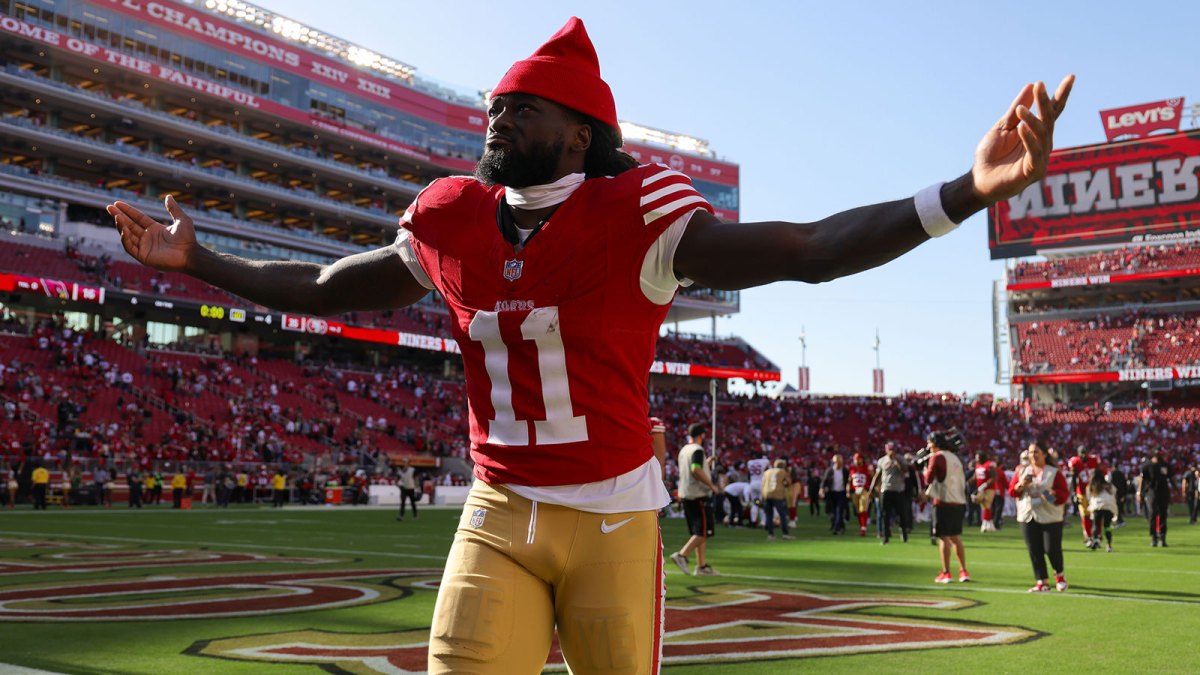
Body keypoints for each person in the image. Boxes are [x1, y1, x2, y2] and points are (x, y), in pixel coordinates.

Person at [106, 15, 1072, 672]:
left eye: (521, 109)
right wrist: (201, 262)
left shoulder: (639, 210)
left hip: (612, 519)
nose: (497, 120)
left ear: (580, 135)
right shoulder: (449, 216)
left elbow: (810, 250)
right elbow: (325, 286)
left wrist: (965, 191)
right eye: (494, 107)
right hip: (497, 510)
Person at [1009, 440, 1070, 592]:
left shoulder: (1053, 472)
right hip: (1027, 514)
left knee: (1051, 548)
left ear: (1044, 454)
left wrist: (1051, 494)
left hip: (1050, 516)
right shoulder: (1022, 471)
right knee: (1034, 549)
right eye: (1030, 452)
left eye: (1036, 452)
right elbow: (1012, 492)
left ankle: (1060, 575)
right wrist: (1021, 484)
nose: (1033, 455)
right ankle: (1042, 581)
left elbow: (1063, 494)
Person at [671, 423, 720, 577]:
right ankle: (682, 555)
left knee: (700, 531)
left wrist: (707, 463)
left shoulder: (684, 449)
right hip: (698, 494)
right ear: (702, 435)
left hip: (686, 493)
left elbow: (695, 466)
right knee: (703, 531)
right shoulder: (698, 450)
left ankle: (701, 566)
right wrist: (711, 485)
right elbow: (695, 469)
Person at [923, 431, 970, 583]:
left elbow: (928, 479)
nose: (928, 446)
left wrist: (925, 471)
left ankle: (946, 572)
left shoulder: (937, 457)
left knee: (944, 538)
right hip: (958, 500)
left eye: (930, 443)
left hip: (943, 501)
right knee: (956, 537)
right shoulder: (955, 457)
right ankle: (963, 571)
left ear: (935, 443)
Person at [870, 442, 911, 544]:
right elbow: (877, 475)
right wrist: (871, 488)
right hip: (886, 489)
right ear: (886, 450)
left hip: (898, 490)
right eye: (890, 449)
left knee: (902, 514)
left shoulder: (900, 459)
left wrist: (896, 461)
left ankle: (903, 533)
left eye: (893, 449)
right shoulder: (882, 460)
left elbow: (905, 471)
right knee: (885, 514)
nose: (891, 451)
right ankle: (886, 537)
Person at [1138, 452, 1174, 547]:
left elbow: (1171, 477)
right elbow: (1142, 479)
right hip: (1151, 492)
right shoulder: (1147, 466)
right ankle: (1153, 537)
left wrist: (1175, 489)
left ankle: (1162, 538)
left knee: (1163, 515)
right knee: (1152, 514)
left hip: (1163, 492)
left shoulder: (1165, 465)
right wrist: (1140, 493)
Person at [1067, 446, 1100, 545]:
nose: (1083, 455)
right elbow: (1073, 478)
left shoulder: (1093, 460)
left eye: (1085, 453)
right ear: (1078, 453)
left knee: (1096, 514)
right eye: (1081, 453)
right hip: (1081, 492)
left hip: (1094, 491)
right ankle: (1088, 536)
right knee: (1085, 515)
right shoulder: (1075, 462)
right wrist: (1073, 493)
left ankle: (1097, 536)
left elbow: (1098, 475)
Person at [761, 459, 794, 540]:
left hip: (767, 494)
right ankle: (785, 533)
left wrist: (762, 496)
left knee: (769, 515)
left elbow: (763, 484)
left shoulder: (767, 472)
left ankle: (770, 534)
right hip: (777, 494)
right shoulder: (782, 472)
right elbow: (788, 482)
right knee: (782, 514)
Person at [1086, 476, 1118, 552]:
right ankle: (1109, 545)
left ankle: (1095, 540)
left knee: (1096, 525)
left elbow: (1088, 496)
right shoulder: (1109, 486)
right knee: (1107, 526)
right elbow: (1114, 492)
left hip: (1097, 507)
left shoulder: (1093, 486)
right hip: (1109, 507)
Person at [821, 454, 850, 535]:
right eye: (836, 462)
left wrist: (848, 491)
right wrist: (821, 489)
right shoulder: (830, 470)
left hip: (841, 493)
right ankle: (841, 526)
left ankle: (836, 528)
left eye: (839, 462)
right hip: (831, 493)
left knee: (839, 511)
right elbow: (824, 481)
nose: (837, 463)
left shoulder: (844, 471)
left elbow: (848, 481)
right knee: (833, 512)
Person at [848, 452, 873, 536]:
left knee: (863, 509)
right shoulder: (851, 468)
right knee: (858, 510)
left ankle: (863, 528)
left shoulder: (867, 467)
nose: (857, 461)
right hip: (855, 491)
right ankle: (861, 526)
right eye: (855, 459)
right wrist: (848, 491)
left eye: (858, 459)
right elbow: (849, 481)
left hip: (864, 490)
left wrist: (871, 489)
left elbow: (872, 477)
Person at [972, 451, 997, 532]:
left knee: (986, 505)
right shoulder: (978, 466)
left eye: (978, 457)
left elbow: (994, 477)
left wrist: (985, 484)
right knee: (984, 506)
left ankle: (985, 524)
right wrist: (967, 482)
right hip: (980, 489)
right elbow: (975, 477)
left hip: (989, 488)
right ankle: (989, 524)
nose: (976, 459)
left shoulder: (989, 465)